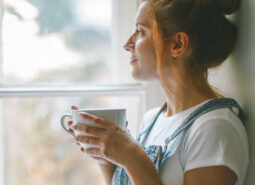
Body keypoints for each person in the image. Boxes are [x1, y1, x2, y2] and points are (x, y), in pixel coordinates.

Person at [67, 0, 249, 185]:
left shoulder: (214, 127)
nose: (128, 44)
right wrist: (105, 156)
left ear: (177, 44)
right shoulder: (152, 120)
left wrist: (133, 158)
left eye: (140, 31)